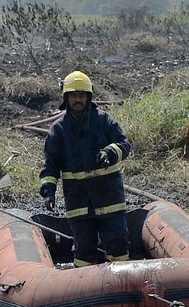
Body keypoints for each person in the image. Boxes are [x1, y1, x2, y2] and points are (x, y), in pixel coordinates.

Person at [39, 70, 132, 267]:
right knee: (83, 250)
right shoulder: (59, 129)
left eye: (81, 95)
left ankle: (122, 288)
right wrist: (49, 192)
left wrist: (110, 153)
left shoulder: (104, 120)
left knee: (118, 244)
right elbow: (51, 165)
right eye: (73, 96)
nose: (77, 100)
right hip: (78, 201)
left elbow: (124, 144)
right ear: (66, 98)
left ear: (88, 97)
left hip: (109, 198)